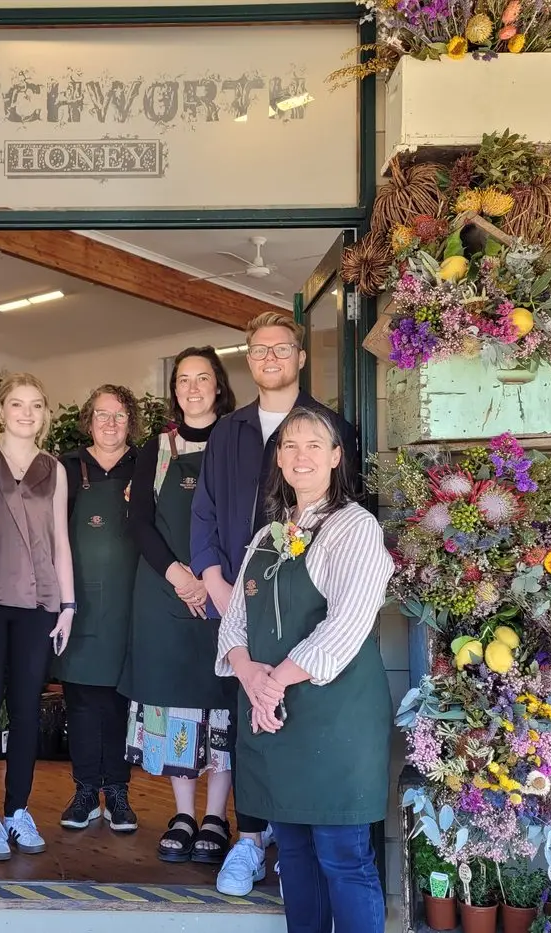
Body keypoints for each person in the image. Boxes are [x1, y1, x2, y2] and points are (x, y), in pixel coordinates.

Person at [191, 310, 358, 896]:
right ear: (248, 359)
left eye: (281, 349)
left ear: (301, 357)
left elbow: (345, 513)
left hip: (310, 608)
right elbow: (205, 514)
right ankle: (250, 838)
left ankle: (296, 851)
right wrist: (219, 590)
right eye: (259, 350)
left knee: (300, 717)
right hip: (243, 603)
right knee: (249, 725)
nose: (270, 359)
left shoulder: (332, 426)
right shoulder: (228, 432)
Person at [216, 406, 392, 933]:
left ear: (337, 457)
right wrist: (251, 678)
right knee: (292, 857)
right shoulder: (268, 533)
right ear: (279, 459)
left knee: (344, 858)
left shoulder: (354, 528)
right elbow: (234, 622)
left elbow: (347, 624)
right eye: (290, 445)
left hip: (336, 721)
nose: (301, 455)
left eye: (315, 444)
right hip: (274, 720)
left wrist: (273, 682)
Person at [120, 348, 239, 864]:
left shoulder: (239, 441)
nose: (193, 388)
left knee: (221, 702)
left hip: (227, 593)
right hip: (166, 591)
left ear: (218, 386)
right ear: (175, 390)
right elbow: (140, 521)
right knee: (177, 705)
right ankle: (185, 815)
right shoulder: (157, 448)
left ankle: (217, 817)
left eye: (203, 379)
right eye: (183, 379)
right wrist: (179, 577)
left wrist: (211, 583)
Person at [0, 373, 75, 860]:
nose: (26, 413)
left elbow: (60, 540)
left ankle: (19, 810)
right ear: (1, 410)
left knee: (28, 710)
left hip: (38, 603)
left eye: (35, 405)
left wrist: (68, 605)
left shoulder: (54, 468)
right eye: (16, 404)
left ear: (45, 414)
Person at [56, 385, 140, 832]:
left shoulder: (146, 465)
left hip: (132, 599)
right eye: (102, 415)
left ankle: (120, 793)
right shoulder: (65, 466)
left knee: (121, 699)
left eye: (120, 416)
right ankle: (86, 791)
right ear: (88, 420)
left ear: (132, 422)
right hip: (79, 601)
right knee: (82, 699)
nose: (110, 424)